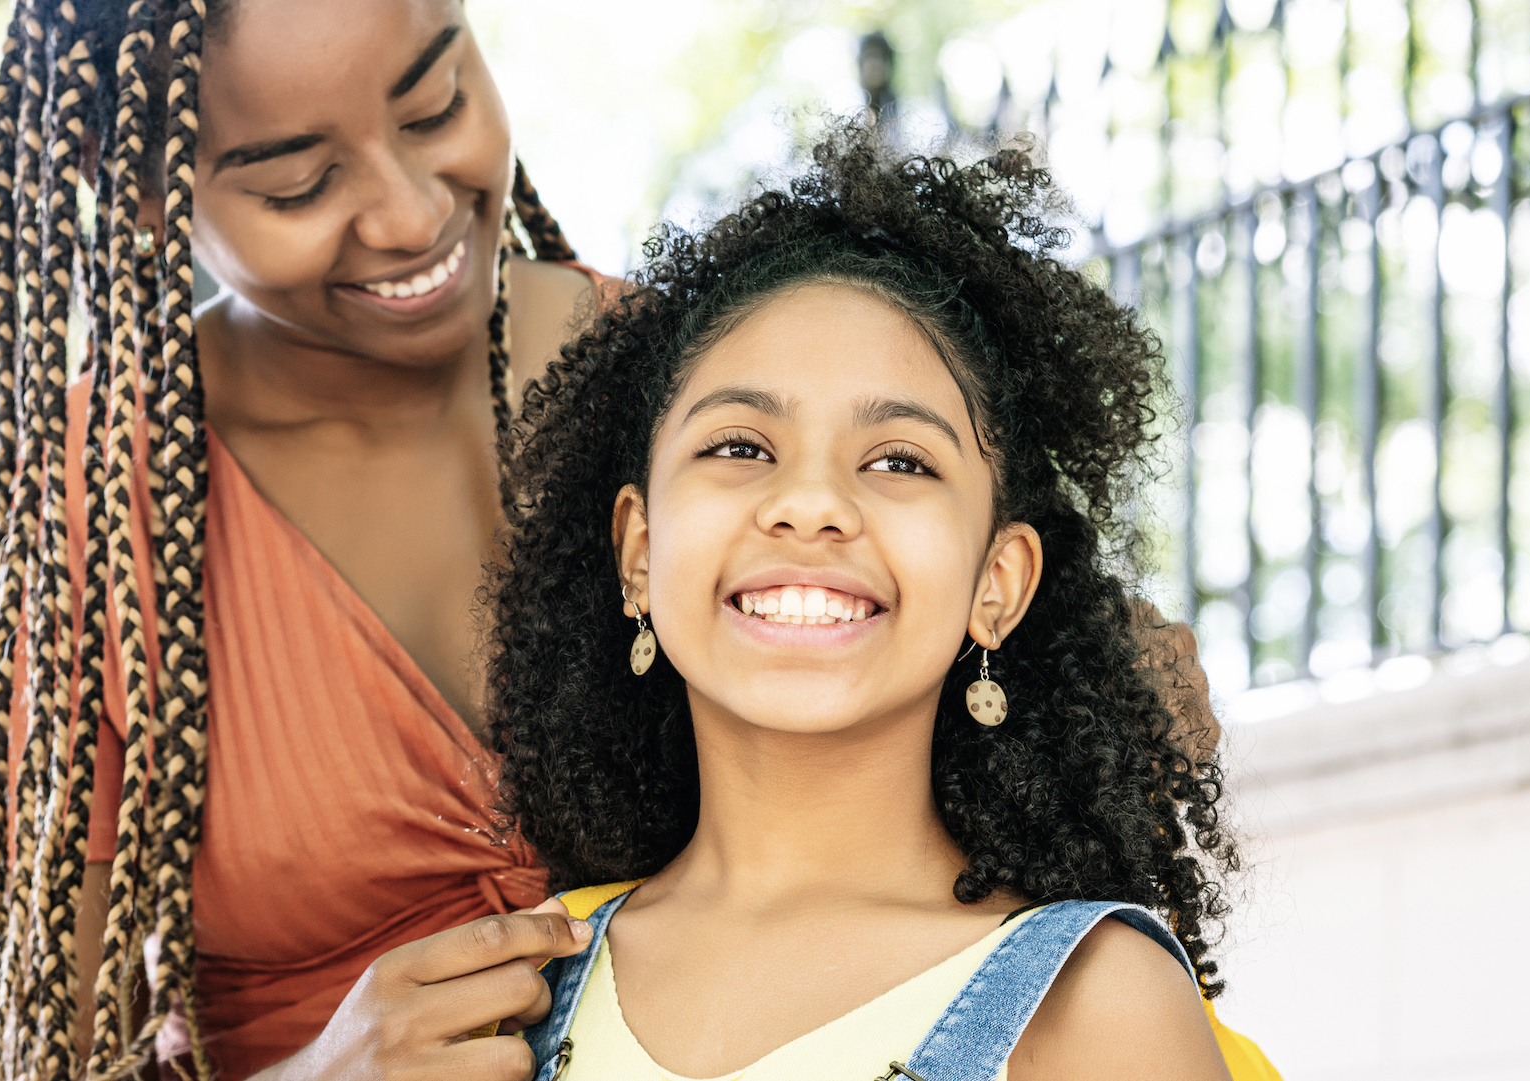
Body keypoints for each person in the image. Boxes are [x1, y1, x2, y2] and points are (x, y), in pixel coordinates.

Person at [0, 3, 1230, 1080]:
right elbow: (43, 1054)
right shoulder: (56, 531)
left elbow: (995, 669)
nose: (406, 211)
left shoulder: (706, 396)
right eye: (298, 180)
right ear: (146, 198)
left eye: (435, 105)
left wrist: (1105, 689)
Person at [485, 127, 1280, 1080]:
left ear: (998, 584)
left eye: (900, 460)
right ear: (641, 552)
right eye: (741, 446)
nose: (812, 503)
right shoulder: (517, 979)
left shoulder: (1098, 1003)